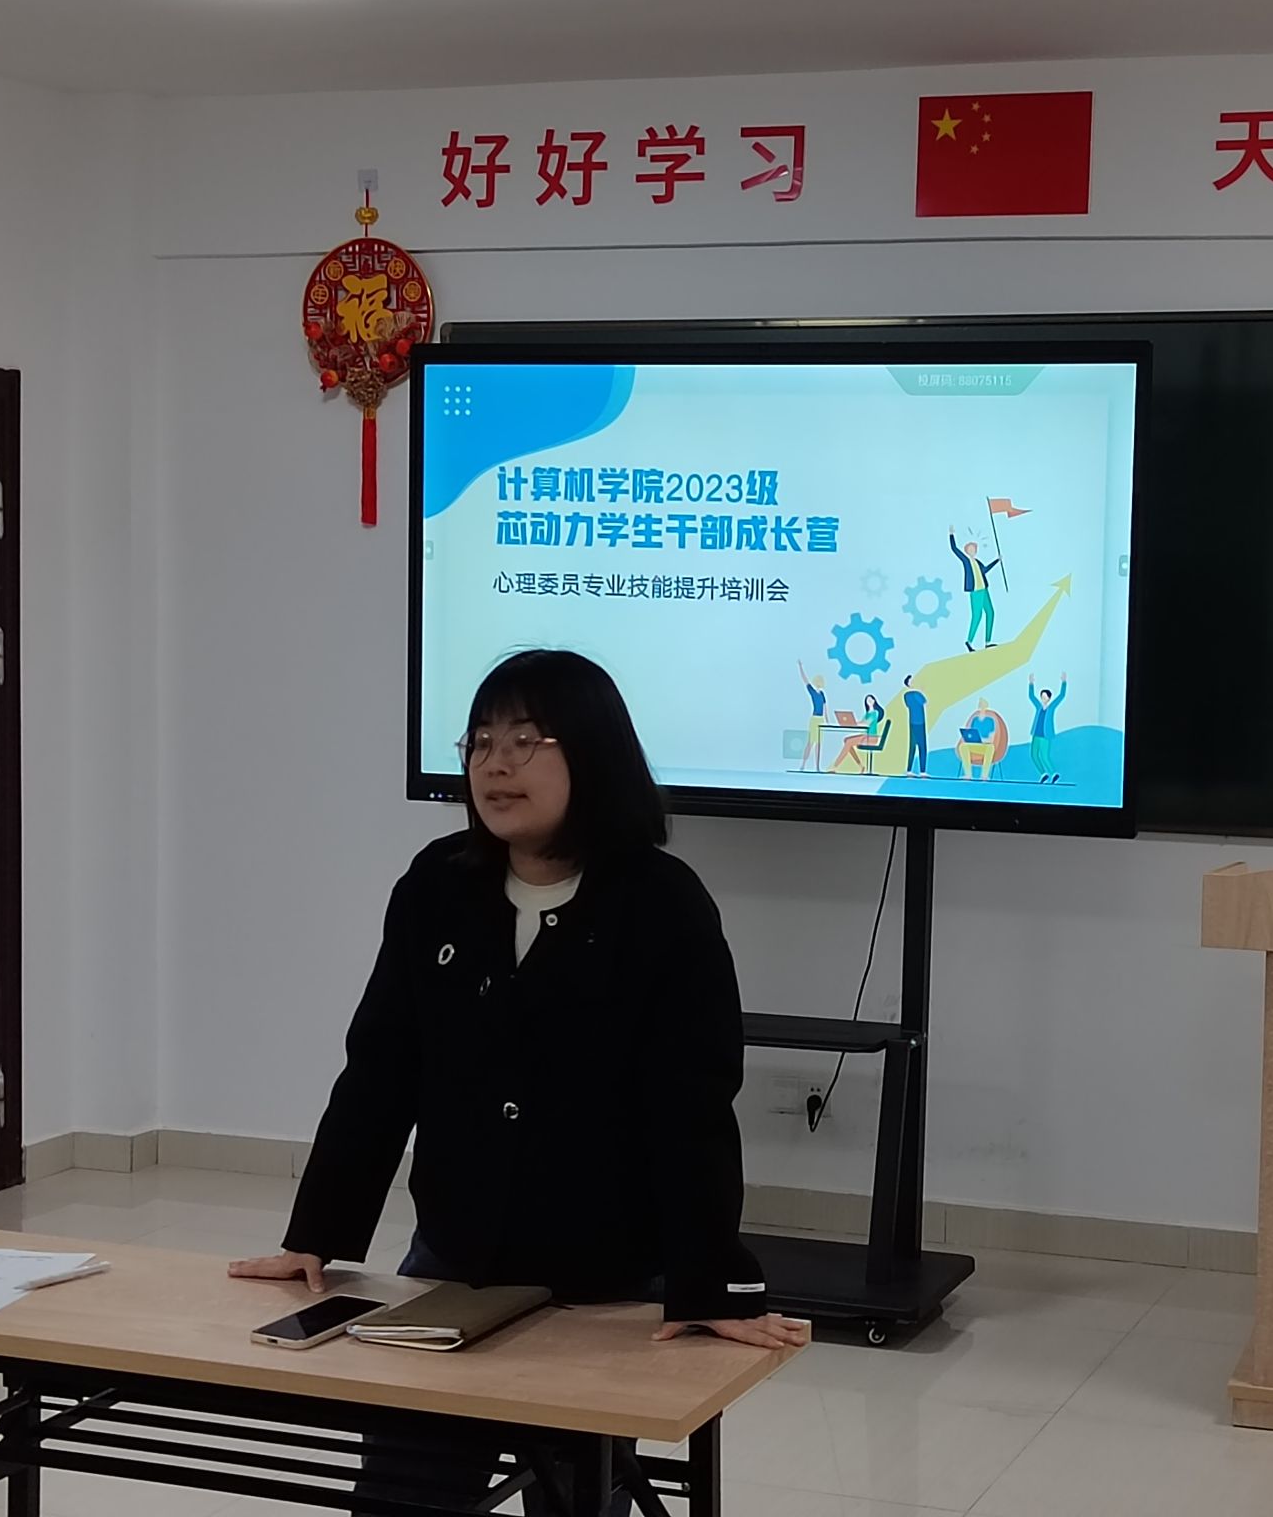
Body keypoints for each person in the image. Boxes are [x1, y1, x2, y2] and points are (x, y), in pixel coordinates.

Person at [229, 649, 806, 1516]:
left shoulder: (661, 903)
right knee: (405, 1486)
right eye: (481, 741)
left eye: (527, 740)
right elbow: (381, 1068)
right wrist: (318, 1233)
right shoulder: (437, 886)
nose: (496, 764)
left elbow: (689, 1104)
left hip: (606, 1267)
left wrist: (707, 1279)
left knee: (577, 1491)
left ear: (594, 754)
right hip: (456, 1256)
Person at [948, 525, 1003, 651]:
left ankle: (988, 641)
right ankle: (969, 641)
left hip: (984, 590)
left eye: (974, 549)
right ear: (967, 551)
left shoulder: (978, 562)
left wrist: (997, 561)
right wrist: (951, 535)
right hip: (976, 592)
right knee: (977, 616)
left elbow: (985, 570)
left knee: (990, 612)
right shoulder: (966, 561)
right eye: (971, 549)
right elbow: (954, 549)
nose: (973, 551)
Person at [1028, 672, 1067, 783]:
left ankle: (1054, 773)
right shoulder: (1038, 707)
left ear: (1049, 698)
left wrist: (1064, 682)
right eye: (1042, 697)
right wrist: (1031, 683)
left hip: (1045, 735)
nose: (1043, 699)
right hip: (1036, 734)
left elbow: (1061, 696)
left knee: (1044, 756)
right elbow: (1031, 697)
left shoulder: (1051, 707)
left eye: (1045, 697)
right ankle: (1043, 774)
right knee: (1034, 755)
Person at [832, 692, 887, 774]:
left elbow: (867, 723)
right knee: (846, 740)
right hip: (866, 736)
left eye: (871, 699)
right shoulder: (867, 713)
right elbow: (862, 722)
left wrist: (858, 723)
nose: (869, 701)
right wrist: (852, 722)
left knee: (849, 742)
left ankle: (835, 766)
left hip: (872, 737)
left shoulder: (875, 712)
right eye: (867, 700)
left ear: (874, 701)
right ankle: (861, 765)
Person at [797, 660, 829, 771]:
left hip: (821, 720)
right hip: (814, 720)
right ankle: (803, 764)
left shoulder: (822, 694)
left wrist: (827, 720)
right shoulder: (812, 691)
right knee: (810, 743)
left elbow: (825, 708)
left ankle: (817, 767)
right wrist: (800, 667)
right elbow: (805, 679)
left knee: (819, 744)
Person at [901, 674, 929, 776]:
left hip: (912, 722)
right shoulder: (917, 694)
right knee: (922, 747)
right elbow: (925, 702)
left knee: (912, 746)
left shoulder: (906, 696)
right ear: (908, 683)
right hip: (920, 722)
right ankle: (922, 771)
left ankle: (909, 769)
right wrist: (921, 691)